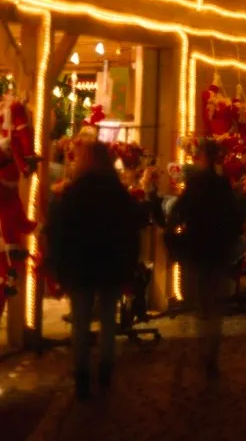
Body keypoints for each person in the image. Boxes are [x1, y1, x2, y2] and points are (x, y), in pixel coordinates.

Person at [45, 140, 141, 400]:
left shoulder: (75, 192)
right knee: (109, 319)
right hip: (109, 265)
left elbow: (60, 230)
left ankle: (82, 375)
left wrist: (58, 264)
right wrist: (128, 264)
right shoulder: (117, 192)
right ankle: (106, 369)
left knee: (81, 321)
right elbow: (130, 230)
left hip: (82, 266)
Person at [168, 140, 246, 381]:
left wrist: (174, 229)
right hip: (218, 248)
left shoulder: (195, 184)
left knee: (202, 302)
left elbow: (178, 211)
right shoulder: (222, 185)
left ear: (202, 157)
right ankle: (211, 351)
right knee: (214, 304)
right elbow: (234, 213)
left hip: (197, 247)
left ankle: (204, 347)